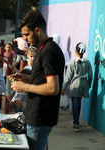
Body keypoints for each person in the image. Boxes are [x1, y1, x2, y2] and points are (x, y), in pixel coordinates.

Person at [9, 10, 65, 150]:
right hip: (38, 116)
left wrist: (24, 87)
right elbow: (43, 79)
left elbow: (53, 88)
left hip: (40, 117)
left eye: (27, 34)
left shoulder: (48, 52)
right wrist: (26, 77)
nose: (25, 39)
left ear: (38, 31)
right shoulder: (46, 48)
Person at [61, 42, 92, 132]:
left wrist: (63, 88)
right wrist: (88, 85)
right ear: (84, 51)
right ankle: (76, 121)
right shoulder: (87, 62)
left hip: (75, 84)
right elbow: (90, 75)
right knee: (78, 103)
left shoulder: (72, 62)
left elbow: (68, 77)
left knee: (75, 104)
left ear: (75, 51)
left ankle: (76, 123)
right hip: (84, 84)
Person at [8, 47, 36, 114]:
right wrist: (11, 103)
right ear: (27, 56)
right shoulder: (25, 67)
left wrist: (22, 104)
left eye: (35, 56)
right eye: (31, 56)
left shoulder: (38, 68)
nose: (33, 58)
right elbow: (20, 80)